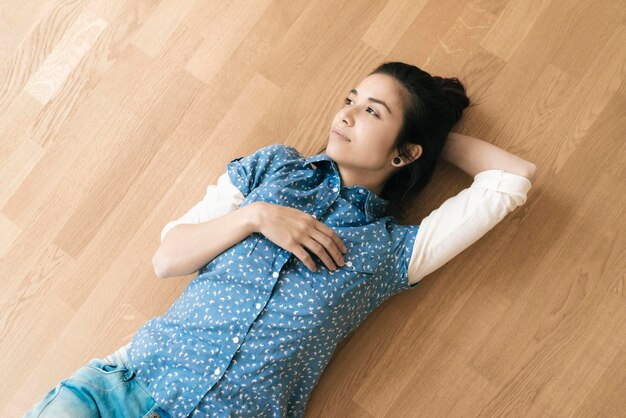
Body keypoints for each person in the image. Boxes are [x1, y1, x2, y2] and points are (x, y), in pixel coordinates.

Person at [24, 61, 536, 418]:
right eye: (350, 100)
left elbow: (510, 178)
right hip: (121, 391)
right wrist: (257, 217)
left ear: (404, 153)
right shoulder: (274, 169)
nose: (346, 114)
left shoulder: (393, 251)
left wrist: (434, 134)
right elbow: (167, 257)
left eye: (373, 112)